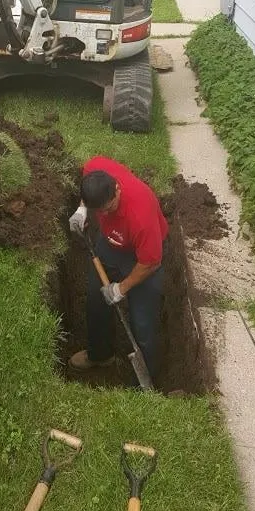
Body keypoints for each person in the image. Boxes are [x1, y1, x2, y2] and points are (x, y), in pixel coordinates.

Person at [68, 155, 168, 380]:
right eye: (99, 211)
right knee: (96, 299)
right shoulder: (95, 170)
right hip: (111, 245)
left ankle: (146, 380)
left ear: (117, 189)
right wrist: (82, 209)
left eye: (109, 208)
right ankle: (100, 354)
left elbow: (151, 262)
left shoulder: (140, 215)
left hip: (142, 258)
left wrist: (120, 289)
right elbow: (89, 190)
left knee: (142, 322)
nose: (104, 214)